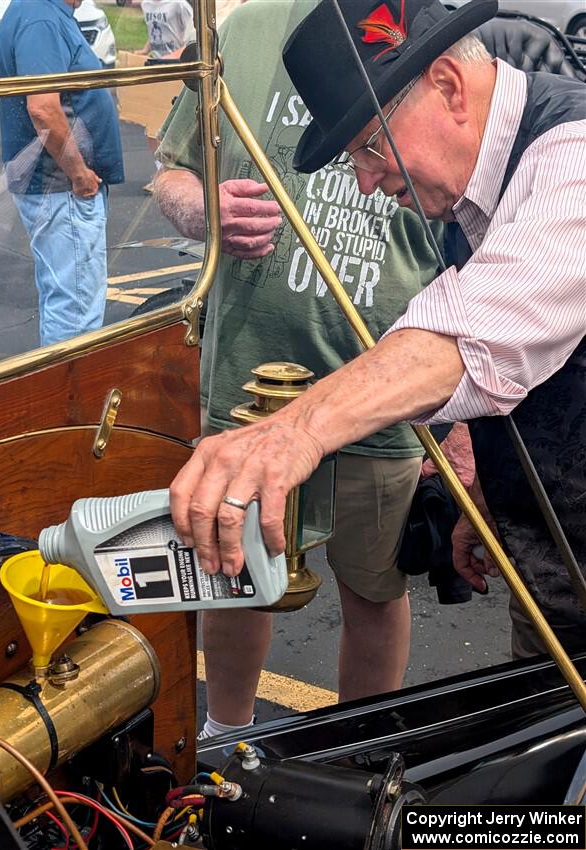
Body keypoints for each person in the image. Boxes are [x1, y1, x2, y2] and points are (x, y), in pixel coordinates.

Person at [169, 0, 586, 661]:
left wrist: (295, 431)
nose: (364, 181)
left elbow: (472, 330)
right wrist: (493, 496)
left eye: (369, 144)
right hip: (552, 577)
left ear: (448, 86)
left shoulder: (576, 154)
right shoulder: (483, 174)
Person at [156, 0, 449, 740]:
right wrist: (203, 212)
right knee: (235, 581)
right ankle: (227, 739)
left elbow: (474, 243)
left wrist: (458, 423)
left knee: (375, 590)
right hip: (250, 390)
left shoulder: (425, 26)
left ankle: (358, 754)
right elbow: (171, 175)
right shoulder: (243, 32)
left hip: (384, 395)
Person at [0, 0, 124, 347]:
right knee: (76, 314)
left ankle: (62, 396)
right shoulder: (41, 16)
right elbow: (43, 107)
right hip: (61, 186)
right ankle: (70, 400)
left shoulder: (42, 12)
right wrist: (79, 173)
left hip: (57, 186)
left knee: (66, 302)